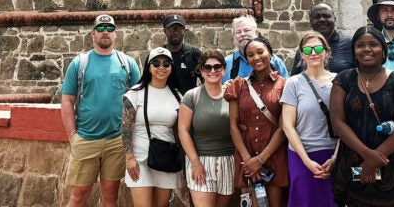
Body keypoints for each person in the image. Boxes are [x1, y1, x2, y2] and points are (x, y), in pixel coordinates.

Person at [330, 26, 394, 207]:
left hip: (390, 164)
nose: (366, 49)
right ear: (354, 52)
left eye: (373, 44)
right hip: (352, 161)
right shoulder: (343, 80)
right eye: (360, 45)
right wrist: (367, 155)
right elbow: (338, 122)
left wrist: (374, 160)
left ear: (383, 50)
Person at [60, 14, 142, 207]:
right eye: (100, 28)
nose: (105, 32)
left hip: (116, 140)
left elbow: (138, 100)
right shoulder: (80, 63)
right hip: (86, 138)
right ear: (93, 34)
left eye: (109, 28)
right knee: (79, 195)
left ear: (116, 34)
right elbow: (67, 100)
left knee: (110, 195)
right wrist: (73, 135)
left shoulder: (127, 64)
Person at [224, 36, 289, 207]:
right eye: (250, 55)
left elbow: (283, 127)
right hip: (246, 154)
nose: (256, 57)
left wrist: (260, 159)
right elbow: (233, 126)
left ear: (270, 54)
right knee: (251, 204)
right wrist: (248, 160)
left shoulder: (285, 85)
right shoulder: (238, 85)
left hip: (275, 154)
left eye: (260, 52)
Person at [281, 31, 338, 207]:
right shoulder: (293, 83)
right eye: (307, 50)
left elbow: (345, 124)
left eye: (318, 48)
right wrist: (306, 161)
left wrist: (336, 157)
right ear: (301, 55)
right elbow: (288, 126)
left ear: (326, 52)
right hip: (301, 154)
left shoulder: (339, 81)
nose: (313, 53)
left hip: (332, 153)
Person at [122, 47, 182, 207]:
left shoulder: (177, 95)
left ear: (171, 67)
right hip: (140, 159)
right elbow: (126, 126)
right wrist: (129, 157)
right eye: (156, 63)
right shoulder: (136, 93)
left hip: (166, 159)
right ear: (149, 67)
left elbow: (179, 130)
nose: (161, 67)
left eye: (166, 63)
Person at [178, 50, 235, 207]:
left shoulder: (232, 95)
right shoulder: (192, 96)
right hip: (201, 161)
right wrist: (195, 163)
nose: (212, 71)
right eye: (207, 67)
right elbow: (183, 130)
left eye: (217, 67)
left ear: (224, 69)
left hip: (228, 161)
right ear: (201, 71)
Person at [290, 3, 355, 75]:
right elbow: (295, 78)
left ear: (335, 20)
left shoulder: (350, 44)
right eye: (316, 17)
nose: (321, 20)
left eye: (326, 16)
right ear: (310, 23)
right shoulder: (305, 49)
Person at [222, 15, 288, 83]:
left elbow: (286, 88)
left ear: (256, 33)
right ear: (234, 36)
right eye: (238, 32)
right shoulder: (226, 63)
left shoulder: (275, 62)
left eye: (246, 30)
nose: (242, 34)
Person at [162, 14, 202, 93]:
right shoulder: (158, 56)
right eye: (171, 29)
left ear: (185, 31)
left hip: (188, 103)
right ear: (165, 31)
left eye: (180, 29)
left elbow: (207, 81)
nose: (176, 32)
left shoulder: (194, 55)